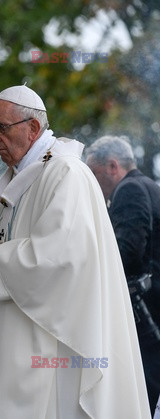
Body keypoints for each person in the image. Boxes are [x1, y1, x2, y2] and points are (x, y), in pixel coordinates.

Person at [0, 85, 150, 418]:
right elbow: (6, 248)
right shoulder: (17, 181)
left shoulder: (65, 173)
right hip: (18, 335)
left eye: (1, 127)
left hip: (50, 341)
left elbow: (63, 257)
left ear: (32, 128)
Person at [86, 135, 160, 415]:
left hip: (146, 314)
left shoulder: (129, 190)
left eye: (94, 173)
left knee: (144, 393)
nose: (93, 183)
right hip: (154, 308)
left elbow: (126, 252)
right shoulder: (150, 185)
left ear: (113, 166)